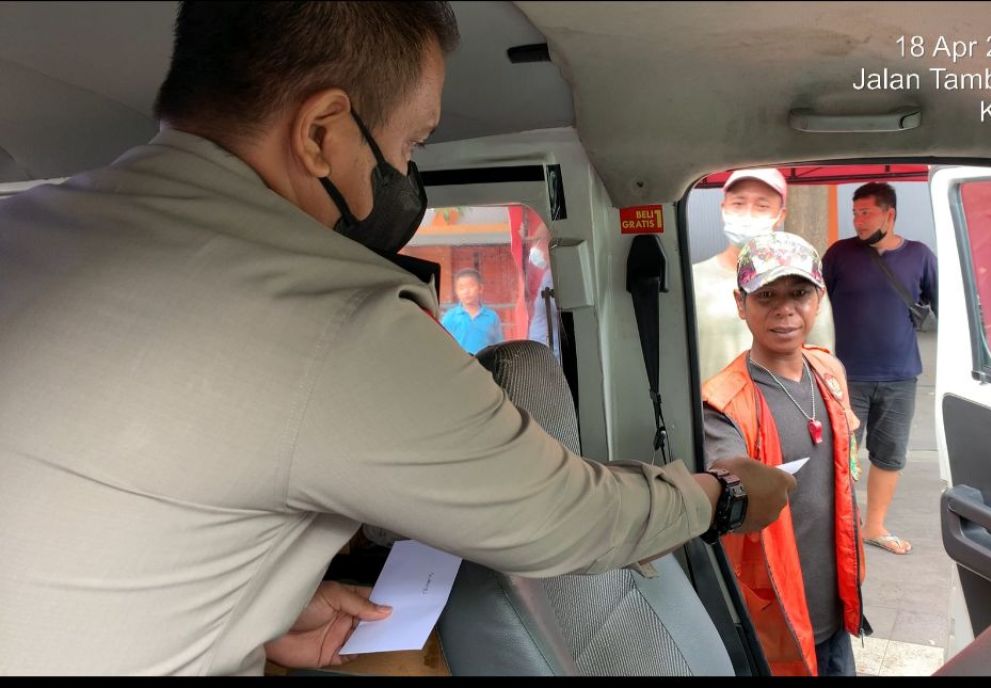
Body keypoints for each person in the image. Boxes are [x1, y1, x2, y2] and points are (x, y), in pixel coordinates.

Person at [0, 2, 796, 675]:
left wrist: (256, 606)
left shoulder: (25, 229)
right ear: (321, 135)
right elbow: (565, 519)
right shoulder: (332, 315)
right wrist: (719, 496)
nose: (410, 173)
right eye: (412, 145)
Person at [702, 232, 866, 677]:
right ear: (741, 304)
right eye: (766, 295)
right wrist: (730, 477)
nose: (785, 309)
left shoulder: (829, 370)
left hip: (837, 604)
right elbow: (726, 469)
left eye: (799, 293)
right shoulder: (724, 402)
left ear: (819, 298)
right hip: (775, 619)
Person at [821, 182, 938, 556]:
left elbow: (943, 304)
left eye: (865, 212)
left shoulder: (919, 255)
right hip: (846, 375)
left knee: (889, 454)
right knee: (839, 454)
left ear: (890, 214)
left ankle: (873, 526)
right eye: (855, 213)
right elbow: (817, 306)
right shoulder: (840, 254)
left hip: (900, 375)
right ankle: (837, 526)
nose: (857, 220)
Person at [693, 168, 835, 383]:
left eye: (762, 205)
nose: (748, 213)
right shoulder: (693, 280)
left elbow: (823, 358)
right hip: (711, 412)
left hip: (783, 411)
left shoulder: (805, 281)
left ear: (781, 215)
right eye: (739, 203)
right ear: (723, 209)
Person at [440, 268, 503, 354]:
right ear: (456, 292)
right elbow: (442, 346)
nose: (466, 291)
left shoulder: (492, 316)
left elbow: (499, 346)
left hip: (484, 365)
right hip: (460, 365)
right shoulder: (450, 317)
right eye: (461, 288)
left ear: (480, 288)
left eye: (471, 286)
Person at [525, 219, 561, 361]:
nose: (535, 247)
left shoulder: (555, 277)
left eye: (538, 241)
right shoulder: (549, 274)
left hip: (552, 355)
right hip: (543, 354)